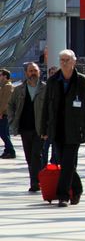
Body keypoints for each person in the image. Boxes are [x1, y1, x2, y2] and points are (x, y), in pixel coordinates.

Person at [41, 49, 85, 207]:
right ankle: (77, 189)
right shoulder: (53, 81)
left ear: (74, 62)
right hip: (57, 129)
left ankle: (63, 195)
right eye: (62, 60)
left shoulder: (83, 82)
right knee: (64, 162)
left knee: (67, 163)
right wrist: (43, 129)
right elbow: (46, 106)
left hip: (74, 129)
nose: (64, 63)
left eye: (67, 60)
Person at [7, 63, 46, 191]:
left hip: (40, 128)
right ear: (26, 73)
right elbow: (11, 105)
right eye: (30, 71)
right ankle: (36, 179)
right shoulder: (19, 90)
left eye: (35, 70)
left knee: (36, 154)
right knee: (29, 156)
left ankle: (35, 183)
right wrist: (12, 120)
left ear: (39, 72)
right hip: (25, 128)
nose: (33, 73)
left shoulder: (45, 89)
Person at [42, 66, 58, 165]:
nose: (53, 74)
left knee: (55, 149)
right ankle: (43, 165)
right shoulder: (45, 87)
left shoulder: (61, 87)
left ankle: (53, 164)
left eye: (54, 72)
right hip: (47, 123)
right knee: (44, 147)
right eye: (51, 73)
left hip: (57, 124)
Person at [0, 69, 15, 159]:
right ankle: (7, 150)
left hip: (4, 114)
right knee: (5, 133)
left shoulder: (8, 86)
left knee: (3, 133)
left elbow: (5, 102)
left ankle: (11, 150)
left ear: (5, 76)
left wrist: (1, 112)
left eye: (0, 75)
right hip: (3, 113)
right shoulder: (4, 86)